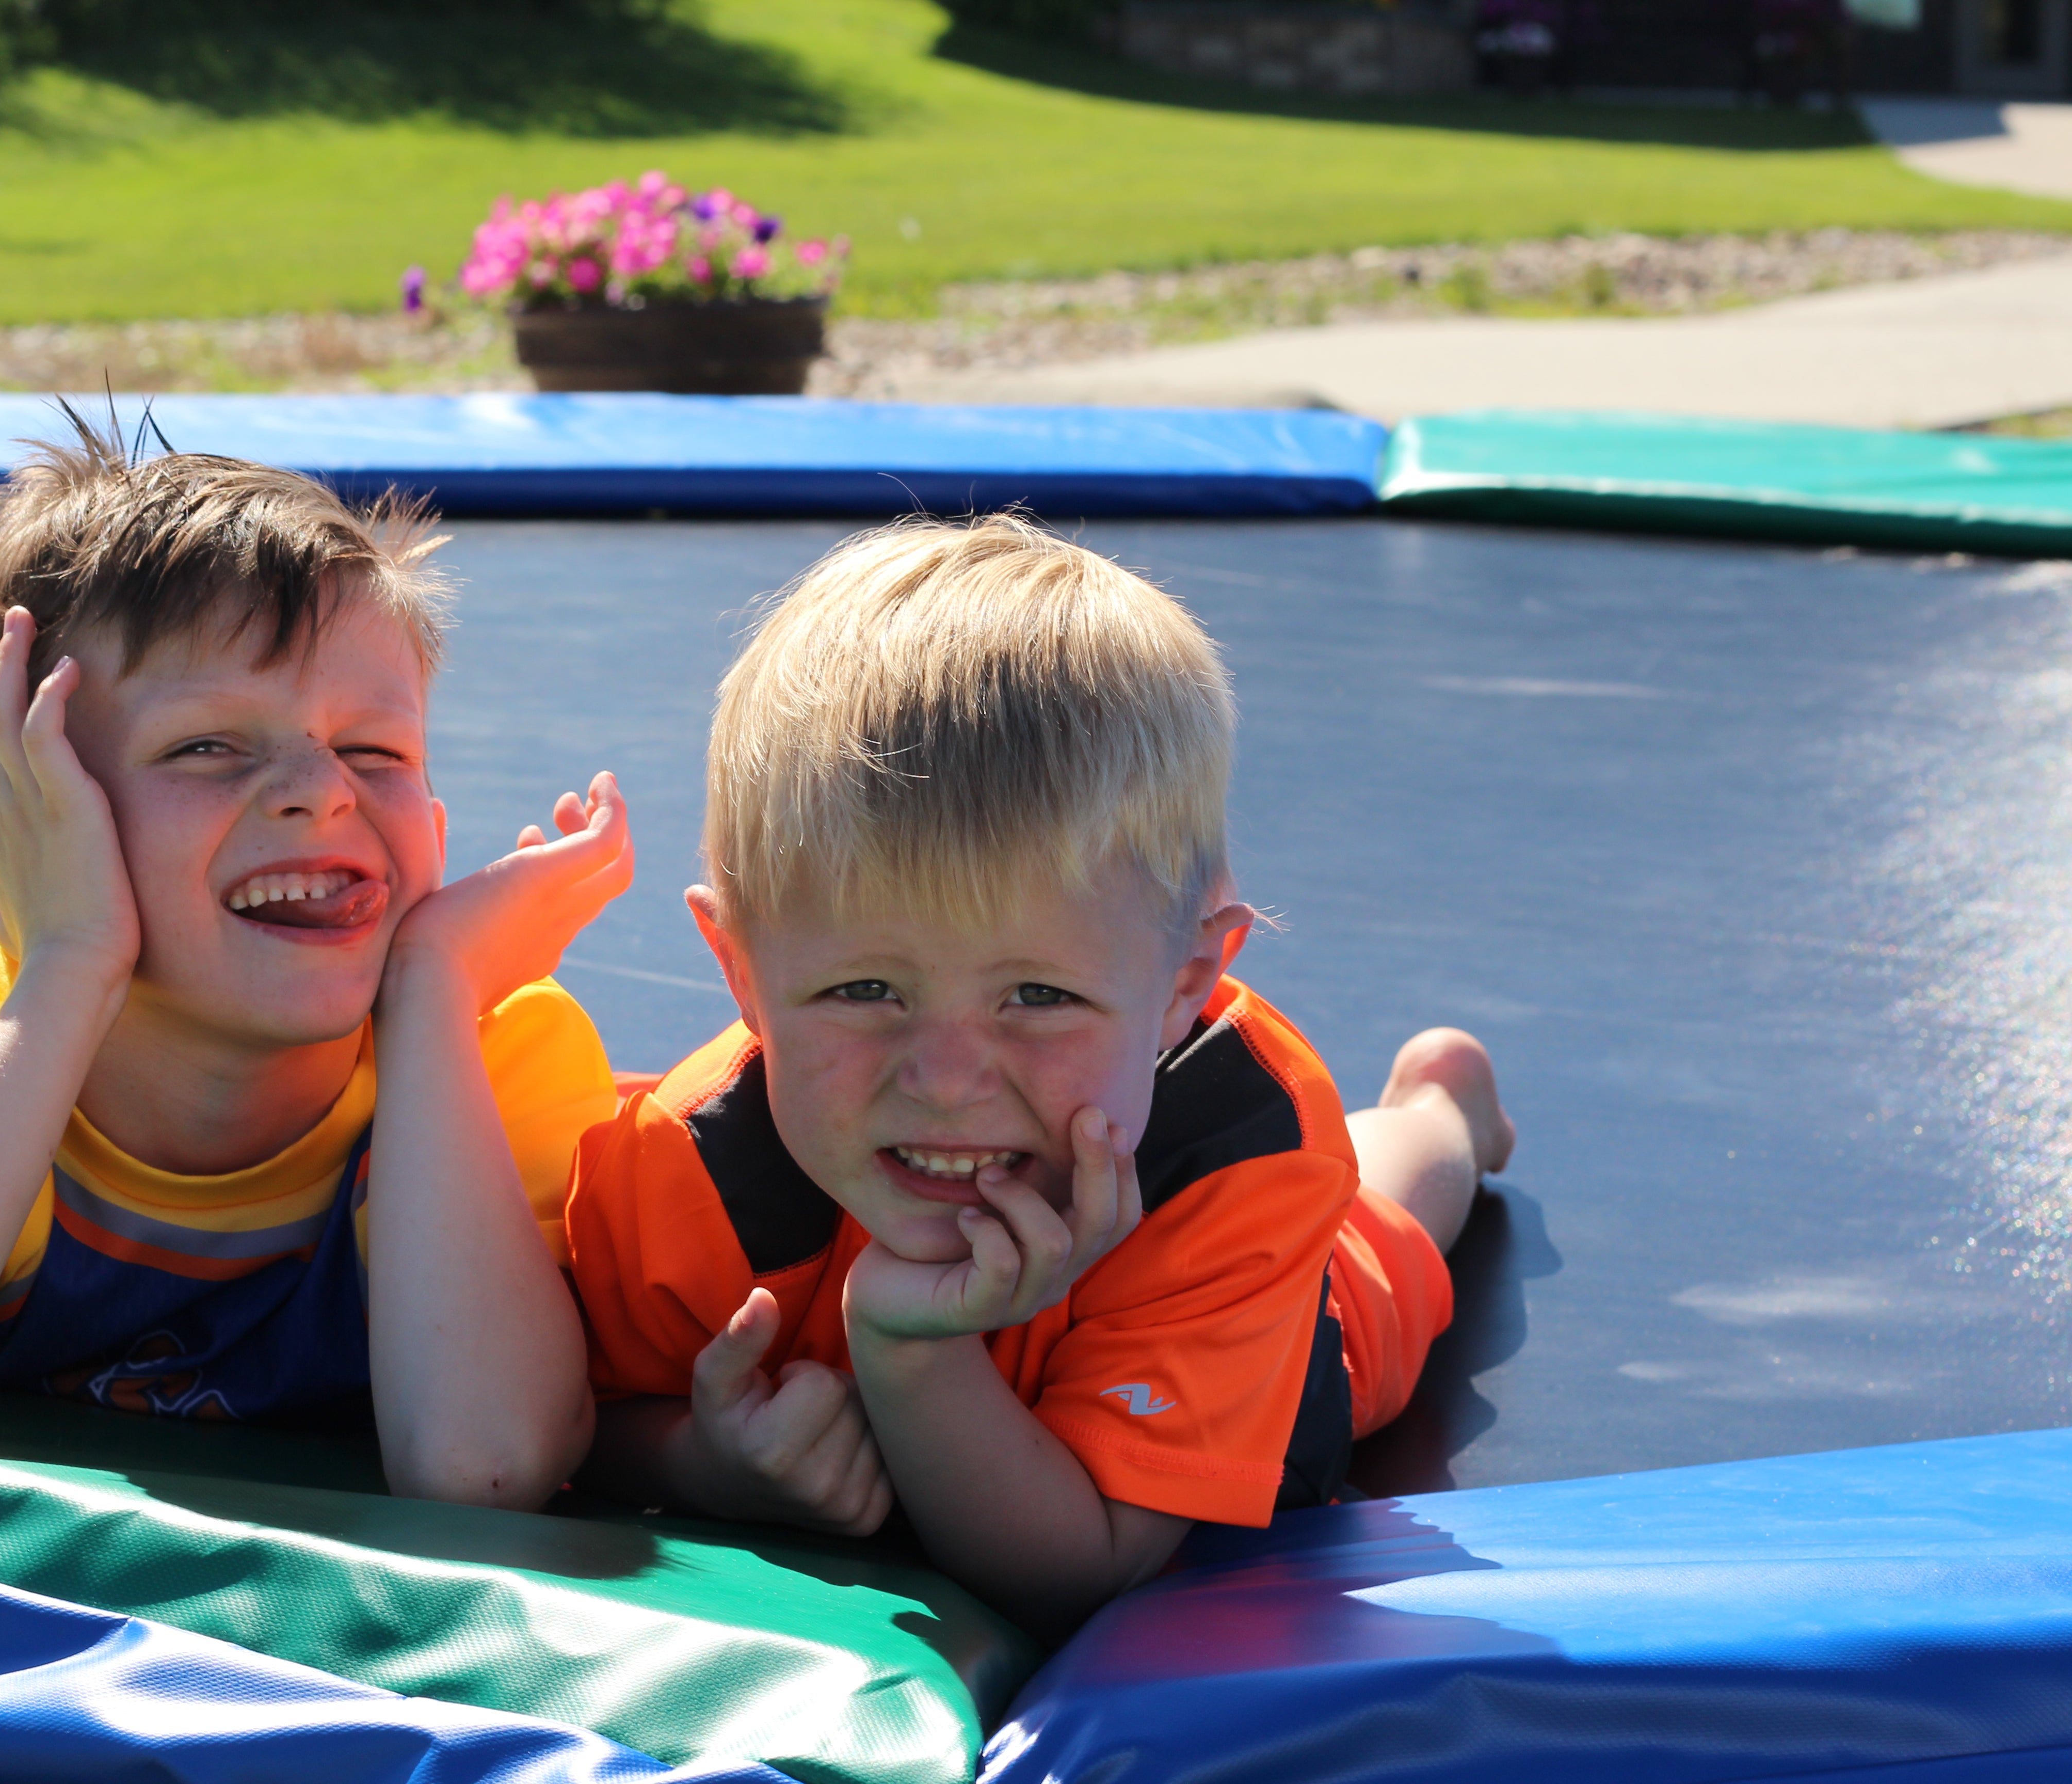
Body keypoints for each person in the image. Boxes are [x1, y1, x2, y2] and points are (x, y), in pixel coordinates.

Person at [566, 516, 1515, 1636]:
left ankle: (1439, 1108)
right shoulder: (687, 1174)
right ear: (742, 970)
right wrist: (699, 1462)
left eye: (1037, 996)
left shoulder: (1235, 1157)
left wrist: (912, 1350)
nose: (946, 1081)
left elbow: (1087, 1566)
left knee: (1381, 1235)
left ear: (1186, 983)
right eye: (866, 991)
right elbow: (576, 1417)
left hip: (1246, 1324)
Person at [0, 422, 633, 1511]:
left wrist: (434, 989)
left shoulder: (490, 1051)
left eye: (375, 751)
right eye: (206, 746)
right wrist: (70, 959)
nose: (321, 791)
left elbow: (483, 1465)